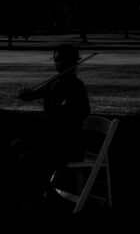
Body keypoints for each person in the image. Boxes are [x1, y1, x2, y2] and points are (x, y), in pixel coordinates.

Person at [9, 44, 91, 208]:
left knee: (27, 152)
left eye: (62, 60)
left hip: (69, 144)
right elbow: (33, 96)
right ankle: (48, 193)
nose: (58, 64)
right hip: (54, 140)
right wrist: (26, 95)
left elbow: (78, 115)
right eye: (56, 60)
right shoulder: (54, 84)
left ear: (73, 62)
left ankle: (40, 196)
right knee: (17, 145)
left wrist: (65, 106)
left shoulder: (76, 87)